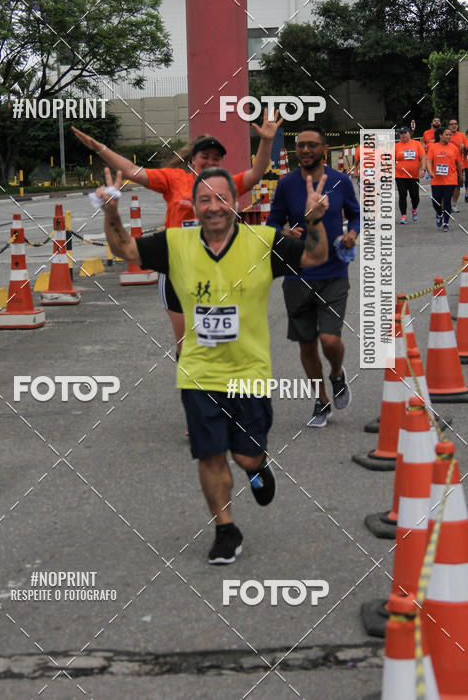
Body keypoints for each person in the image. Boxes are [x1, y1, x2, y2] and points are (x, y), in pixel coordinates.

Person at [96, 165, 329, 564]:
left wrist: (314, 221)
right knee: (210, 455)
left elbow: (315, 255)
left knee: (245, 457)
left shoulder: (262, 242)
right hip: (198, 372)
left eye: (222, 199)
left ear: (236, 204)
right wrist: (111, 211)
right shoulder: (177, 244)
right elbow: (126, 251)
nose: (214, 207)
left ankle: (257, 468)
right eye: (205, 200)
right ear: (194, 205)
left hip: (249, 374)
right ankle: (225, 528)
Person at [73, 111, 282, 357]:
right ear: (193, 159)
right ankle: (193, 385)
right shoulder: (173, 179)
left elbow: (256, 173)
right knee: (186, 346)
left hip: (218, 271)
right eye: (205, 157)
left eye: (217, 158)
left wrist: (266, 141)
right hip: (177, 270)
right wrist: (99, 148)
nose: (211, 162)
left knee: (221, 342)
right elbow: (131, 171)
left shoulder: (227, 183)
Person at [266, 124, 360, 428]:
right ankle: (321, 401)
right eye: (300, 145)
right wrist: (283, 232)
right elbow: (272, 222)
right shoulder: (286, 184)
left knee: (330, 340)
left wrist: (352, 234)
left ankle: (337, 374)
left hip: (333, 272)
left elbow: (356, 214)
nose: (304, 150)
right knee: (307, 344)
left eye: (311, 145)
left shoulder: (341, 181)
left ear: (324, 150)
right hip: (297, 275)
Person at [426, 126, 462, 231]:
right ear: (440, 136)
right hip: (436, 179)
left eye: (450, 135)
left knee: (447, 201)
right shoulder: (433, 147)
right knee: (436, 201)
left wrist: (461, 175)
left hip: (450, 179)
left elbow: (458, 163)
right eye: (447, 134)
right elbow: (428, 161)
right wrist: (430, 171)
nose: (449, 136)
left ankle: (446, 223)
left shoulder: (454, 148)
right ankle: (439, 213)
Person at [394, 126, 426, 223]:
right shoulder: (396, 146)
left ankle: (414, 209)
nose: (402, 135)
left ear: (409, 133)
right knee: (402, 195)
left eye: (404, 133)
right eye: (401, 133)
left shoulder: (416, 144)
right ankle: (403, 215)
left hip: (413, 175)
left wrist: (423, 169)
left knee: (415, 196)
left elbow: (423, 157)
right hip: (400, 175)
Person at [448, 118, 468, 211]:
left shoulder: (462, 136)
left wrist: (464, 148)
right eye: (452, 124)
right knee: (447, 185)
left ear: (458, 125)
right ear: (449, 126)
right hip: (447, 165)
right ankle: (446, 204)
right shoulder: (446, 135)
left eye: (455, 124)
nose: (454, 125)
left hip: (459, 165)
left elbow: (466, 149)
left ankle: (454, 204)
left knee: (457, 185)